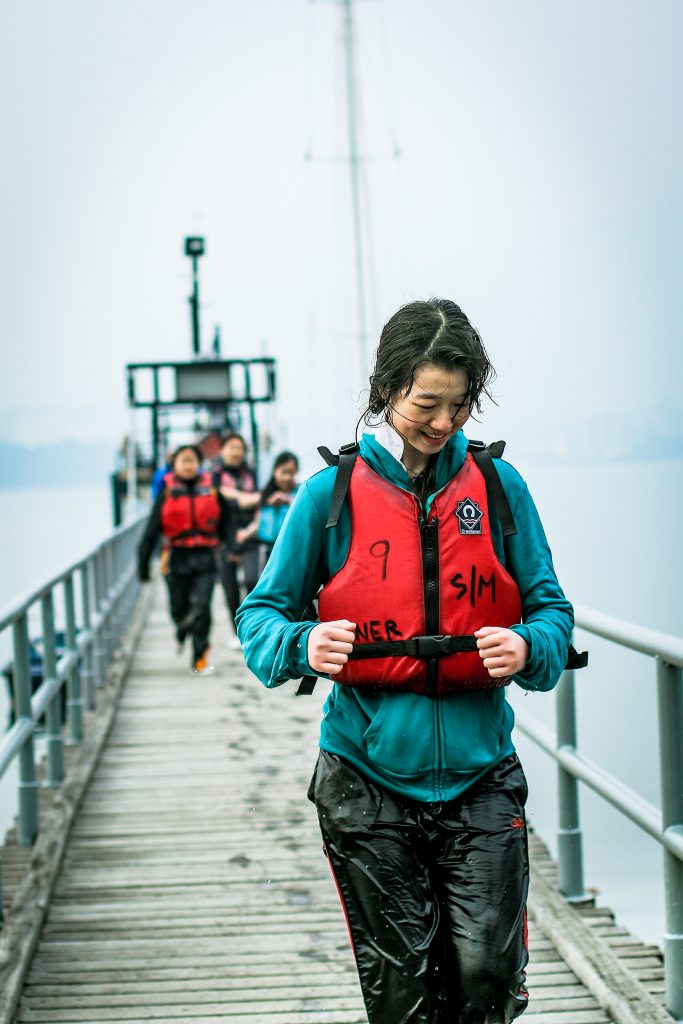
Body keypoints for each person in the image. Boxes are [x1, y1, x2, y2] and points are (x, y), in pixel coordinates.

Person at [236, 299, 578, 1024]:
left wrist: (528, 646)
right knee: (403, 999)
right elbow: (259, 619)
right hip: (365, 781)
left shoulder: (498, 489)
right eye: (428, 402)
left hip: (480, 777)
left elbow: (552, 614)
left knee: (486, 979)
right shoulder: (328, 496)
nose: (444, 423)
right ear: (388, 387)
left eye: (458, 405)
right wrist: (301, 644)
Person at [138, 444, 234, 675]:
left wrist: (230, 545)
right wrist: (143, 567)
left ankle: (200, 658)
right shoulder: (167, 493)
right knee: (178, 609)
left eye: (192, 461)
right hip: (175, 558)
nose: (189, 465)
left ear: (199, 465)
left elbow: (227, 521)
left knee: (202, 607)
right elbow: (151, 531)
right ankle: (182, 628)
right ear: (175, 466)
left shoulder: (211, 490)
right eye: (184, 461)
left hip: (205, 558)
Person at [213, 433, 261, 647]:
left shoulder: (251, 473)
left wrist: (237, 498)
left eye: (239, 447)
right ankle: (236, 632)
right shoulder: (214, 476)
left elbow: (260, 499)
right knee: (230, 587)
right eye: (231, 447)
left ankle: (250, 628)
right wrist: (242, 498)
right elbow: (217, 496)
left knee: (253, 580)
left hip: (250, 535)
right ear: (222, 451)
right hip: (224, 537)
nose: (235, 452)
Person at [234, 451, 300, 564]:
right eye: (283, 472)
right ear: (275, 471)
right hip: (267, 550)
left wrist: (287, 500)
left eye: (290, 473)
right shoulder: (266, 494)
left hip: (291, 549)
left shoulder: (301, 493)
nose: (286, 477)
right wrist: (246, 532)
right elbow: (258, 522)